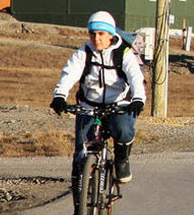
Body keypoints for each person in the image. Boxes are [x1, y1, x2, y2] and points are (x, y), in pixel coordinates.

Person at [49, 11, 146, 213]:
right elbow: (69, 73)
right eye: (93, 34)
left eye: (101, 34)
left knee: (124, 131)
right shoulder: (84, 52)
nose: (96, 38)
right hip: (89, 105)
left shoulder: (124, 53)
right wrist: (59, 96)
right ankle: (79, 207)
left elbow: (135, 76)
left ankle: (121, 160)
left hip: (119, 104)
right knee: (79, 158)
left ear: (111, 34)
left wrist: (138, 99)